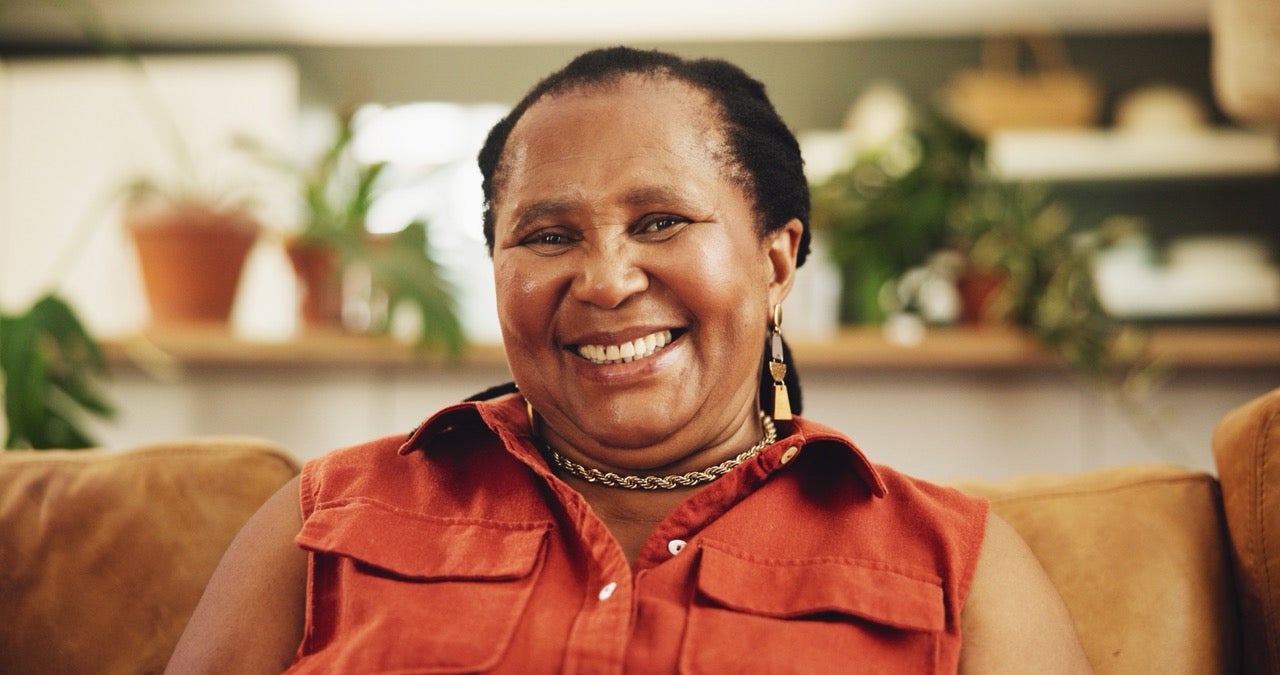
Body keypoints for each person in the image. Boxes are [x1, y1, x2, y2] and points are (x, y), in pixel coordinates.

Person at [166, 46, 1093, 673]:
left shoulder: (958, 565)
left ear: (776, 262)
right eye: (548, 234)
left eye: (660, 221)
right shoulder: (324, 521)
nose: (605, 280)